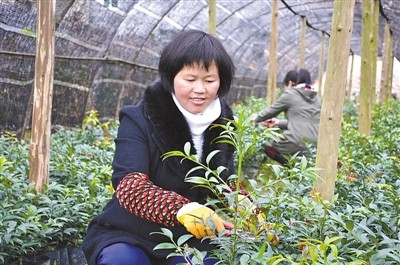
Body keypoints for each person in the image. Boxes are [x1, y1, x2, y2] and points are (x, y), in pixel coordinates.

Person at [82, 30, 252, 265]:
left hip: (191, 238)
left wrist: (245, 207)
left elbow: (222, 180)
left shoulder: (222, 124)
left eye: (209, 80)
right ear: (171, 77)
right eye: (190, 79)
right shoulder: (139, 119)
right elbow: (129, 186)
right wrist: (182, 209)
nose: (200, 89)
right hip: (130, 232)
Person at [252, 69, 321, 165]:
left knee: (267, 146)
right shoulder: (317, 99)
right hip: (315, 143)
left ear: (289, 83)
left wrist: (255, 118)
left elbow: (271, 111)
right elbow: (304, 122)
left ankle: (290, 168)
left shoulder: (290, 94)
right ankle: (299, 172)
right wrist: (278, 123)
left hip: (296, 140)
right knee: (307, 164)